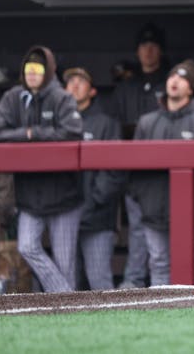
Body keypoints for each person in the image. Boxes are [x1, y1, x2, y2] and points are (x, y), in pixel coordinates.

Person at [0, 46, 83, 293]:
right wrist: (27, 134)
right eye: (28, 69)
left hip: (64, 196)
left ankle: (68, 308)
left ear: (48, 71)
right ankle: (65, 296)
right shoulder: (13, 98)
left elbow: (72, 132)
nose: (32, 73)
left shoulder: (62, 98)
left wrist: (35, 133)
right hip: (29, 196)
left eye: (38, 69)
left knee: (65, 263)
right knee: (27, 247)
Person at [127, 60, 194, 286]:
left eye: (182, 78)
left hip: (193, 212)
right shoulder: (147, 122)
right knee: (158, 264)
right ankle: (163, 311)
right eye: (172, 77)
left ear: (191, 89)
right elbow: (133, 168)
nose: (175, 81)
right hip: (154, 210)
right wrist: (144, 198)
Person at [112, 22, 169, 289]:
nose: (148, 51)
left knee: (167, 226)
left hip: (165, 171)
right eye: (144, 46)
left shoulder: (169, 84)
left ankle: (168, 283)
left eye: (153, 46)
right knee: (137, 227)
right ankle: (134, 280)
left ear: (160, 50)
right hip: (135, 172)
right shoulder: (126, 87)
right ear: (137, 51)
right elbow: (115, 129)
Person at [64, 67, 125, 291]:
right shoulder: (58, 124)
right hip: (63, 217)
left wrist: (94, 202)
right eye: (70, 81)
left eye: (81, 81)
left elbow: (115, 171)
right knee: (66, 284)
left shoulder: (106, 123)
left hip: (97, 218)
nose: (75, 85)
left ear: (92, 91)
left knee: (99, 282)